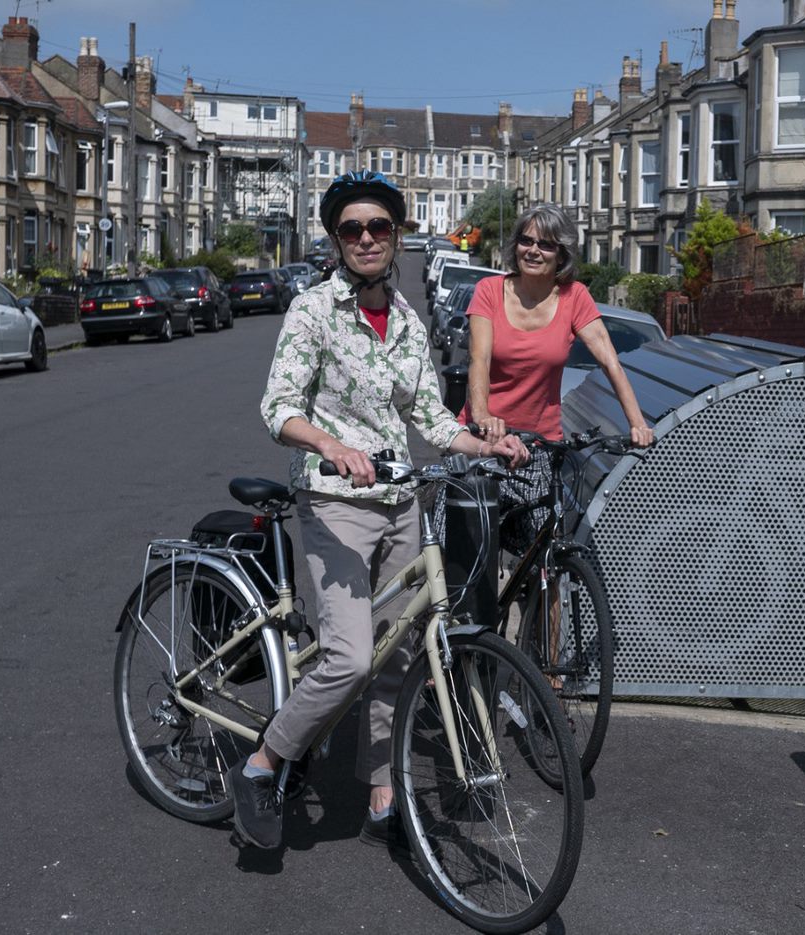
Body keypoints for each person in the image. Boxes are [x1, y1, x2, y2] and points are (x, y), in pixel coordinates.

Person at [237, 170, 527, 851]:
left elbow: (430, 416)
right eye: (352, 229)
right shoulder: (311, 310)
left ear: (397, 238)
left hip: (400, 502)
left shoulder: (406, 320)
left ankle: (381, 788)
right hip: (336, 502)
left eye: (379, 228)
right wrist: (329, 443)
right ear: (337, 241)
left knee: (399, 652)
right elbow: (278, 406)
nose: (366, 239)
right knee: (350, 658)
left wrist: (486, 438)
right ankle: (262, 762)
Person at [465, 204, 654, 549]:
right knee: (467, 556)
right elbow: (479, 358)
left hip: (538, 445)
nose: (533, 250)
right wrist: (482, 417)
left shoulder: (574, 296)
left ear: (561, 253)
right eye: (526, 240)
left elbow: (610, 361)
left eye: (546, 244)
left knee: (546, 558)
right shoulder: (490, 291)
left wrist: (637, 423)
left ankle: (544, 602)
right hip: (484, 440)